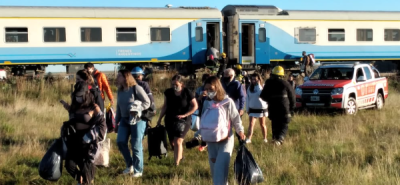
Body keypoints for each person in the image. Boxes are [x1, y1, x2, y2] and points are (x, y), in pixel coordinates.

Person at [193, 75, 246, 185]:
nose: (208, 92)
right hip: (211, 141)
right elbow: (204, 120)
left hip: (225, 140)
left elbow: (236, 119)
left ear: (217, 87)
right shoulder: (207, 102)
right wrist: (199, 135)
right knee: (215, 172)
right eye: (206, 89)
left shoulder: (228, 102)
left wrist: (240, 131)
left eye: (210, 89)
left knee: (221, 170)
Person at [61, 81, 107, 185]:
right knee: (69, 165)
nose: (78, 98)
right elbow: (72, 114)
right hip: (75, 141)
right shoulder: (75, 106)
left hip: (88, 143)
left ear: (86, 94)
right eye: (76, 96)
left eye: (80, 96)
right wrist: (66, 106)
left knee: (87, 173)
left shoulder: (94, 107)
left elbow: (102, 124)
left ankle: (84, 180)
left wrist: (91, 136)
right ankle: (80, 178)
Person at [115, 70, 151, 177]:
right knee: (120, 141)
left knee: (136, 144)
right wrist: (116, 122)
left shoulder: (136, 88)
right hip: (124, 120)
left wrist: (138, 109)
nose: (117, 77)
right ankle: (130, 164)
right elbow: (118, 107)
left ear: (126, 77)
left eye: (119, 76)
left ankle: (138, 170)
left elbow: (147, 102)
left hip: (137, 120)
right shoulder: (120, 90)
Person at [157, 74, 198, 166]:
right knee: (172, 142)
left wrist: (185, 115)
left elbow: (195, 106)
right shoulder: (168, 92)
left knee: (178, 141)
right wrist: (159, 119)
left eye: (176, 84)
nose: (174, 86)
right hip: (170, 119)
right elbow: (165, 106)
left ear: (181, 84)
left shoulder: (187, 92)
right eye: (172, 84)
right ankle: (180, 156)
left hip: (184, 120)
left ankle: (176, 164)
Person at [260, 66, 296, 146]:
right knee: (283, 126)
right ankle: (279, 140)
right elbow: (293, 97)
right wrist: (292, 108)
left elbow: (262, 96)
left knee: (275, 127)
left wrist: (270, 100)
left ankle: (275, 141)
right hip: (284, 109)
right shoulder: (286, 83)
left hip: (273, 110)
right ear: (282, 75)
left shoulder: (269, 83)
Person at [245, 73, 268, 144]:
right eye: (252, 79)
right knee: (251, 124)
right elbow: (248, 98)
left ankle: (265, 138)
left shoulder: (262, 87)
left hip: (261, 108)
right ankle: (249, 138)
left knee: (262, 124)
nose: (253, 81)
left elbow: (260, 94)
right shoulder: (249, 88)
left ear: (259, 80)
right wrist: (247, 108)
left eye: (255, 79)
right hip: (252, 108)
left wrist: (258, 86)